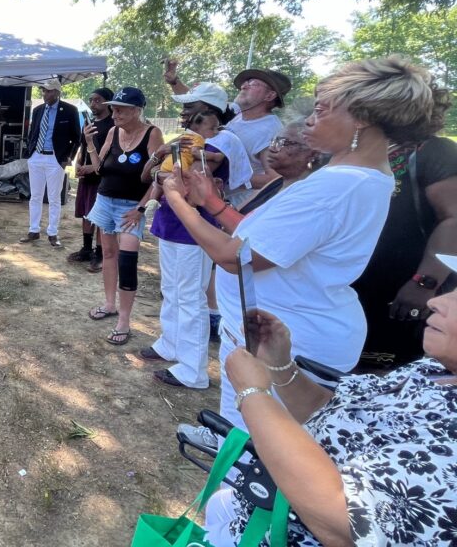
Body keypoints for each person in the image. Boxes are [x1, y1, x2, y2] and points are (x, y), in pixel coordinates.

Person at [163, 56, 440, 432]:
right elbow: (266, 240)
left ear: (361, 117)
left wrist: (177, 200)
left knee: (262, 447)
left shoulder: (337, 187)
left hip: (289, 340)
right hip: (269, 331)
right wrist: (212, 203)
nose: (311, 118)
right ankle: (227, 445)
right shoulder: (351, 175)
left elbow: (235, 256)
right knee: (241, 426)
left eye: (323, 109)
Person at [203, 260, 457, 546]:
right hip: (264, 511)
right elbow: (338, 414)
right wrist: (280, 365)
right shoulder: (434, 370)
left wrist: (253, 395)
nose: (436, 301)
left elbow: (344, 523)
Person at [135, 85, 247, 389]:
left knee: (190, 296)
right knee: (170, 288)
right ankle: (170, 343)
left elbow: (184, 177)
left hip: (193, 229)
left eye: (189, 107)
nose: (182, 113)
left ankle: (193, 368)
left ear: (208, 110)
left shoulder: (221, 141)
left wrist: (162, 166)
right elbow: (157, 174)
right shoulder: (187, 141)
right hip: (171, 222)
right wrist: (162, 167)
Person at [352, 89, 457, 367]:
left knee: (383, 374)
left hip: (403, 291)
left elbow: (454, 219)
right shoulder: (353, 151)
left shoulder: (434, 151)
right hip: (353, 286)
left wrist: (424, 282)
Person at [83, 87, 164, 346]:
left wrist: (141, 208)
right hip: (105, 201)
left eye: (120, 109)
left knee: (127, 261)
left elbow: (158, 177)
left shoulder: (153, 134)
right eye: (114, 108)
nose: (114, 113)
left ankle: (124, 320)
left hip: (131, 207)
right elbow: (98, 168)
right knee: (108, 254)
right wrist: (89, 145)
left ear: (137, 111)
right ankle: (109, 304)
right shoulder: (113, 132)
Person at [166, 60, 289, 205]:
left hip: (235, 206)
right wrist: (174, 82)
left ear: (270, 96)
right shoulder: (235, 112)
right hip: (204, 196)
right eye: (246, 82)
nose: (243, 86)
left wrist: (225, 174)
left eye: (253, 84)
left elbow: (276, 179)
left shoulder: (272, 131)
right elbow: (197, 99)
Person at [20, 79, 82, 248]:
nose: (45, 94)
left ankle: (53, 233)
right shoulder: (38, 110)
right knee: (35, 196)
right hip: (37, 157)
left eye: (48, 91)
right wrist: (30, 152)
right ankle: (33, 230)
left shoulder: (70, 110)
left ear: (57, 92)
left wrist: (68, 157)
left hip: (55, 158)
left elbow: (77, 137)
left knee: (54, 198)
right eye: (44, 91)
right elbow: (33, 132)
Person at [68, 88, 114, 272]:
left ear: (108, 102)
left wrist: (94, 168)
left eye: (97, 100)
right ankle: (86, 249)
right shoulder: (89, 123)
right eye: (91, 100)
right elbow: (82, 146)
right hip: (86, 178)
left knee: (100, 218)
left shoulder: (113, 125)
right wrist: (78, 164)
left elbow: (112, 153)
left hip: (103, 179)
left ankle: (100, 253)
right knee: (86, 213)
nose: (93, 104)